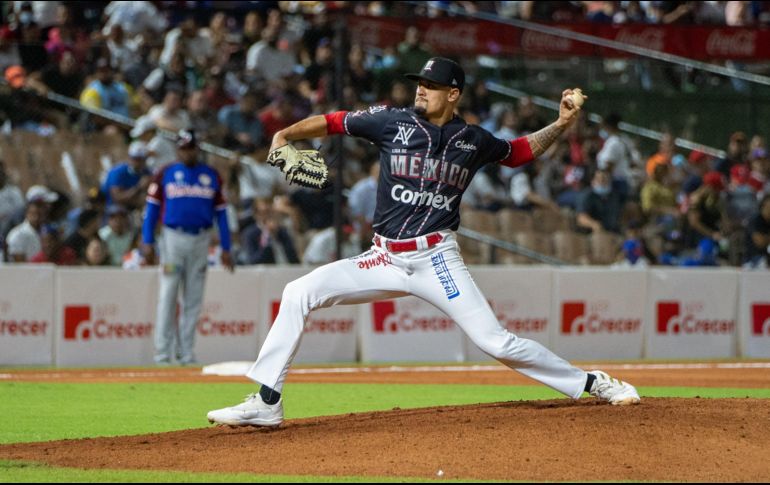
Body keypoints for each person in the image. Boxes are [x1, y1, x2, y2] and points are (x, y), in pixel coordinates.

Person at [207, 57, 640, 428]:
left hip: (436, 259)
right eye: (420, 83)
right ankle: (267, 402)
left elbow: (518, 152)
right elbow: (336, 120)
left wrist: (562, 124)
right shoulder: (391, 123)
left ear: (453, 94)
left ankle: (591, 382)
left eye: (431, 86)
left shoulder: (472, 140)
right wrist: (286, 135)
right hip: (382, 257)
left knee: (495, 342)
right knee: (298, 291)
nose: (422, 90)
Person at [141, 129, 234, 365]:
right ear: (178, 149)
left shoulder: (211, 175)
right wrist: (148, 240)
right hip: (173, 239)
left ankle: (186, 353)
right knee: (168, 293)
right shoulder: (166, 173)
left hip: (201, 239)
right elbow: (151, 210)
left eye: (190, 147)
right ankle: (162, 353)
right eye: (183, 147)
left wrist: (226, 247)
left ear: (197, 149)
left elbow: (222, 215)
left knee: (193, 298)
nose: (187, 151)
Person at [101, 141, 152, 210]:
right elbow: (117, 198)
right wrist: (139, 187)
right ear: (129, 157)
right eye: (135, 159)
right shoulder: (118, 172)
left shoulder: (146, 172)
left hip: (133, 208)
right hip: (113, 208)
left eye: (140, 159)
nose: (138, 162)